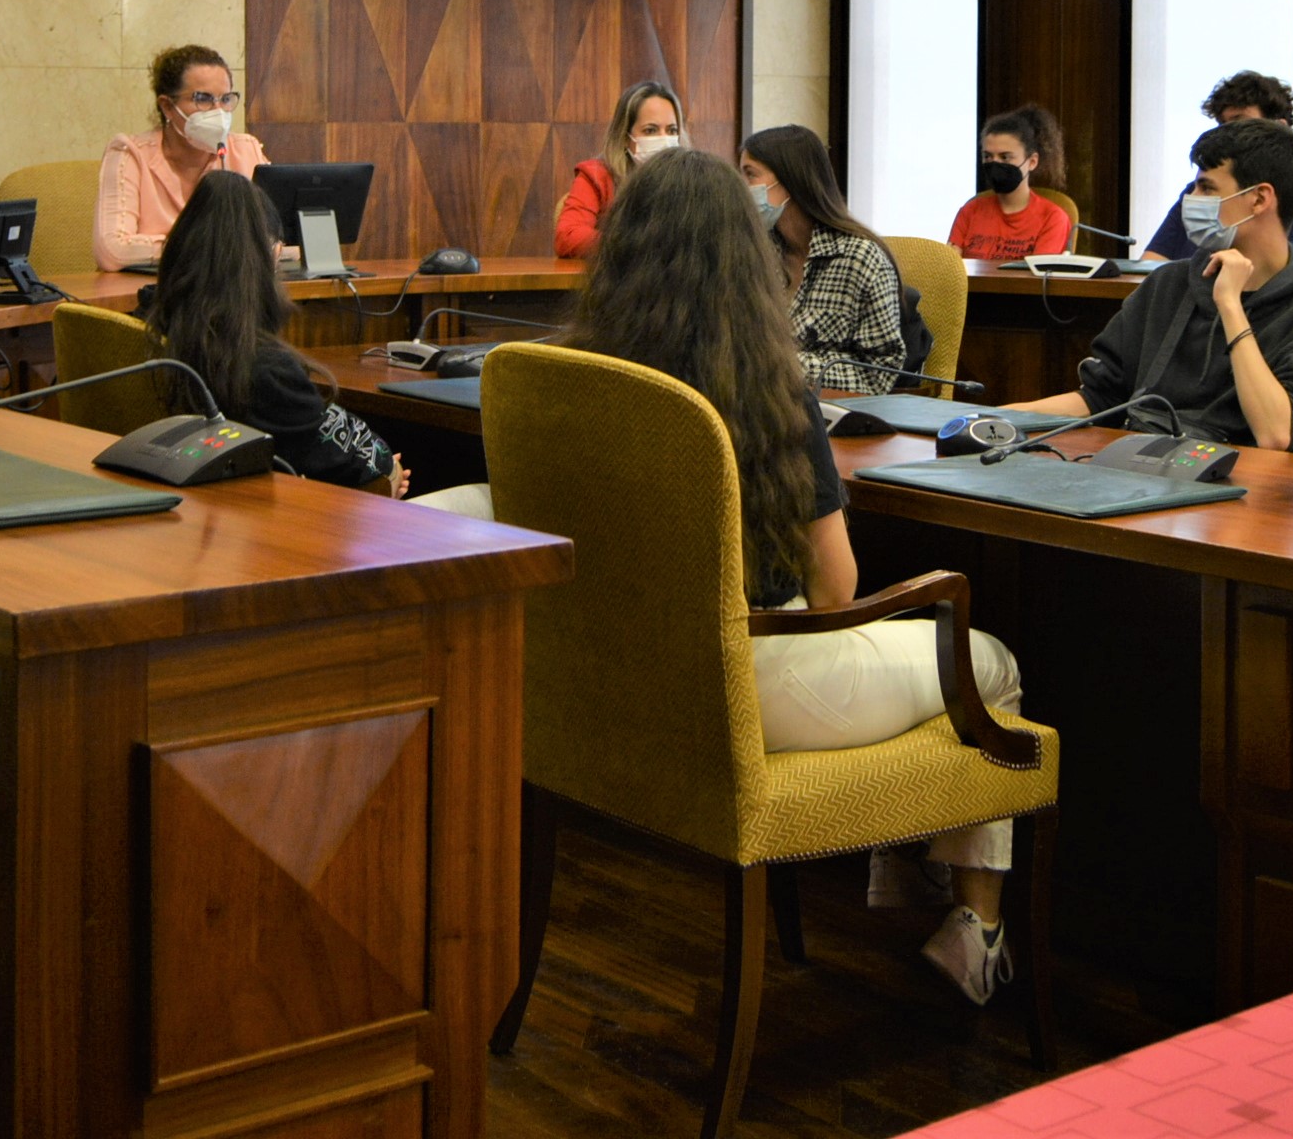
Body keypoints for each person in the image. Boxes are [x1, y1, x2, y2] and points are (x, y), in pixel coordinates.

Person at [427, 149, 1032, 1002]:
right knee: (990, 658)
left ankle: (920, 892)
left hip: (606, 683)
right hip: (742, 685)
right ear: (747, 260)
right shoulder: (766, 391)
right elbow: (836, 595)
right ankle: (972, 926)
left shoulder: (559, 376)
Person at [1019, 120, 1293, 453]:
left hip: (1241, 487)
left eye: (1207, 188)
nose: (1190, 200)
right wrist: (997, 418)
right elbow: (1099, 397)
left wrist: (1230, 305)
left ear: (1259, 199)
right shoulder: (1167, 284)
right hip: (1142, 465)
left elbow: (1275, 434)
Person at [148, 171, 403, 493]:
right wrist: (389, 474)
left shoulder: (160, 340)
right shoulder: (267, 369)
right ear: (270, 256)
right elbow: (368, 473)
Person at [740, 125, 906, 397]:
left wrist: (779, 364)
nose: (741, 187)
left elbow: (879, 374)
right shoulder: (755, 253)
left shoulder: (859, 259)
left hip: (832, 416)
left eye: (750, 175)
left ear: (790, 181)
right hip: (761, 406)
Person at [1139, 71, 1293, 271]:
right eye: (1222, 125)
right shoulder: (1197, 192)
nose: (1229, 134)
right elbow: (1149, 264)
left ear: (1280, 129)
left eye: (1240, 123)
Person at [95, 44, 271, 271]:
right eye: (203, 99)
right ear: (167, 107)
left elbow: (279, 241)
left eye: (225, 99)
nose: (218, 111)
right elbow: (113, 250)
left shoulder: (245, 150)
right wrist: (219, 247)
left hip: (232, 297)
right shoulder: (129, 153)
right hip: (155, 297)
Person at [554, 78, 686, 259]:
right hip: (619, 282)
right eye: (650, 130)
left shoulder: (693, 180)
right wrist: (633, 246)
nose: (664, 139)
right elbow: (568, 236)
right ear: (624, 137)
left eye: (672, 131)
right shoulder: (597, 176)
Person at [948, 104, 1076, 263]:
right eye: (987, 156)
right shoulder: (970, 211)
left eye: (1005, 157)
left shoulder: (1052, 218)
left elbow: (1037, 281)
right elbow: (951, 270)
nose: (995, 164)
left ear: (1032, 162)